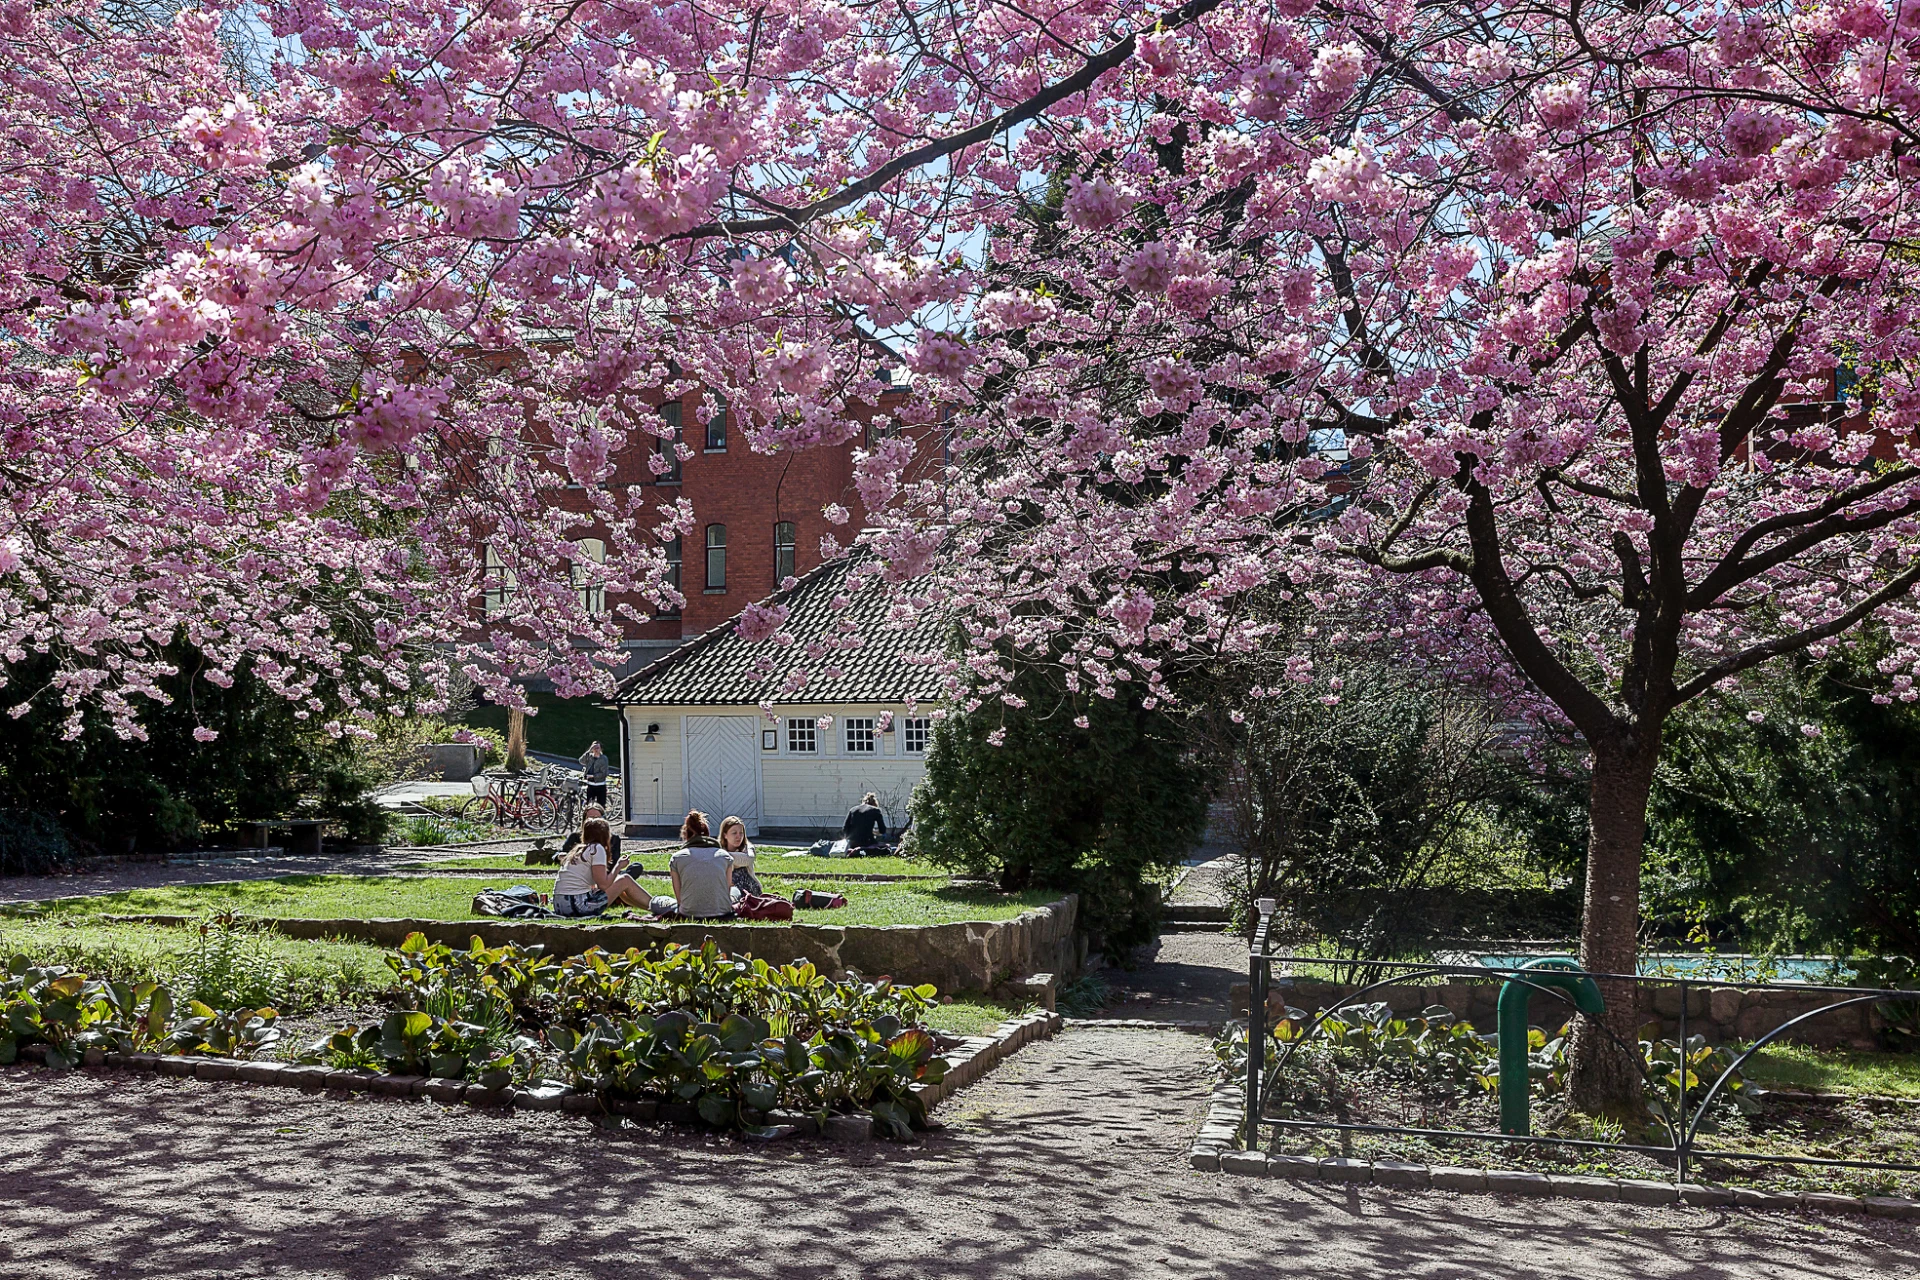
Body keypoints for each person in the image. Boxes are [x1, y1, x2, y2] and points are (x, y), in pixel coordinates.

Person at [552, 817, 649, 917]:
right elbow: (603, 885)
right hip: (577, 906)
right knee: (625, 879)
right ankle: (657, 905)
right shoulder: (597, 849)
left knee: (620, 884)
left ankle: (651, 908)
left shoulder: (579, 850)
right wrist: (619, 866)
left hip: (560, 906)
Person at [650, 810, 735, 920]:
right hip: (722, 911)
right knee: (735, 891)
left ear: (686, 835)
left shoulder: (677, 858)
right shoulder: (725, 856)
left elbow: (679, 899)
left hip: (688, 912)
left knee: (658, 902)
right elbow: (727, 889)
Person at [718, 815, 762, 896]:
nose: (738, 837)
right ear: (725, 835)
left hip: (749, 888)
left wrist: (725, 857)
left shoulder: (748, 848)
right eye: (734, 833)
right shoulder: (719, 849)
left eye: (741, 833)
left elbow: (748, 859)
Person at [579, 740, 612, 807]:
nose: (596, 750)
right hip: (590, 785)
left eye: (597, 748)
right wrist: (589, 750)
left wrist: (593, 776)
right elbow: (581, 761)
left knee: (601, 806)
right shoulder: (589, 757)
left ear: (600, 749)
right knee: (590, 805)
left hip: (600, 785)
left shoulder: (604, 759)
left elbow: (604, 773)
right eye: (594, 748)